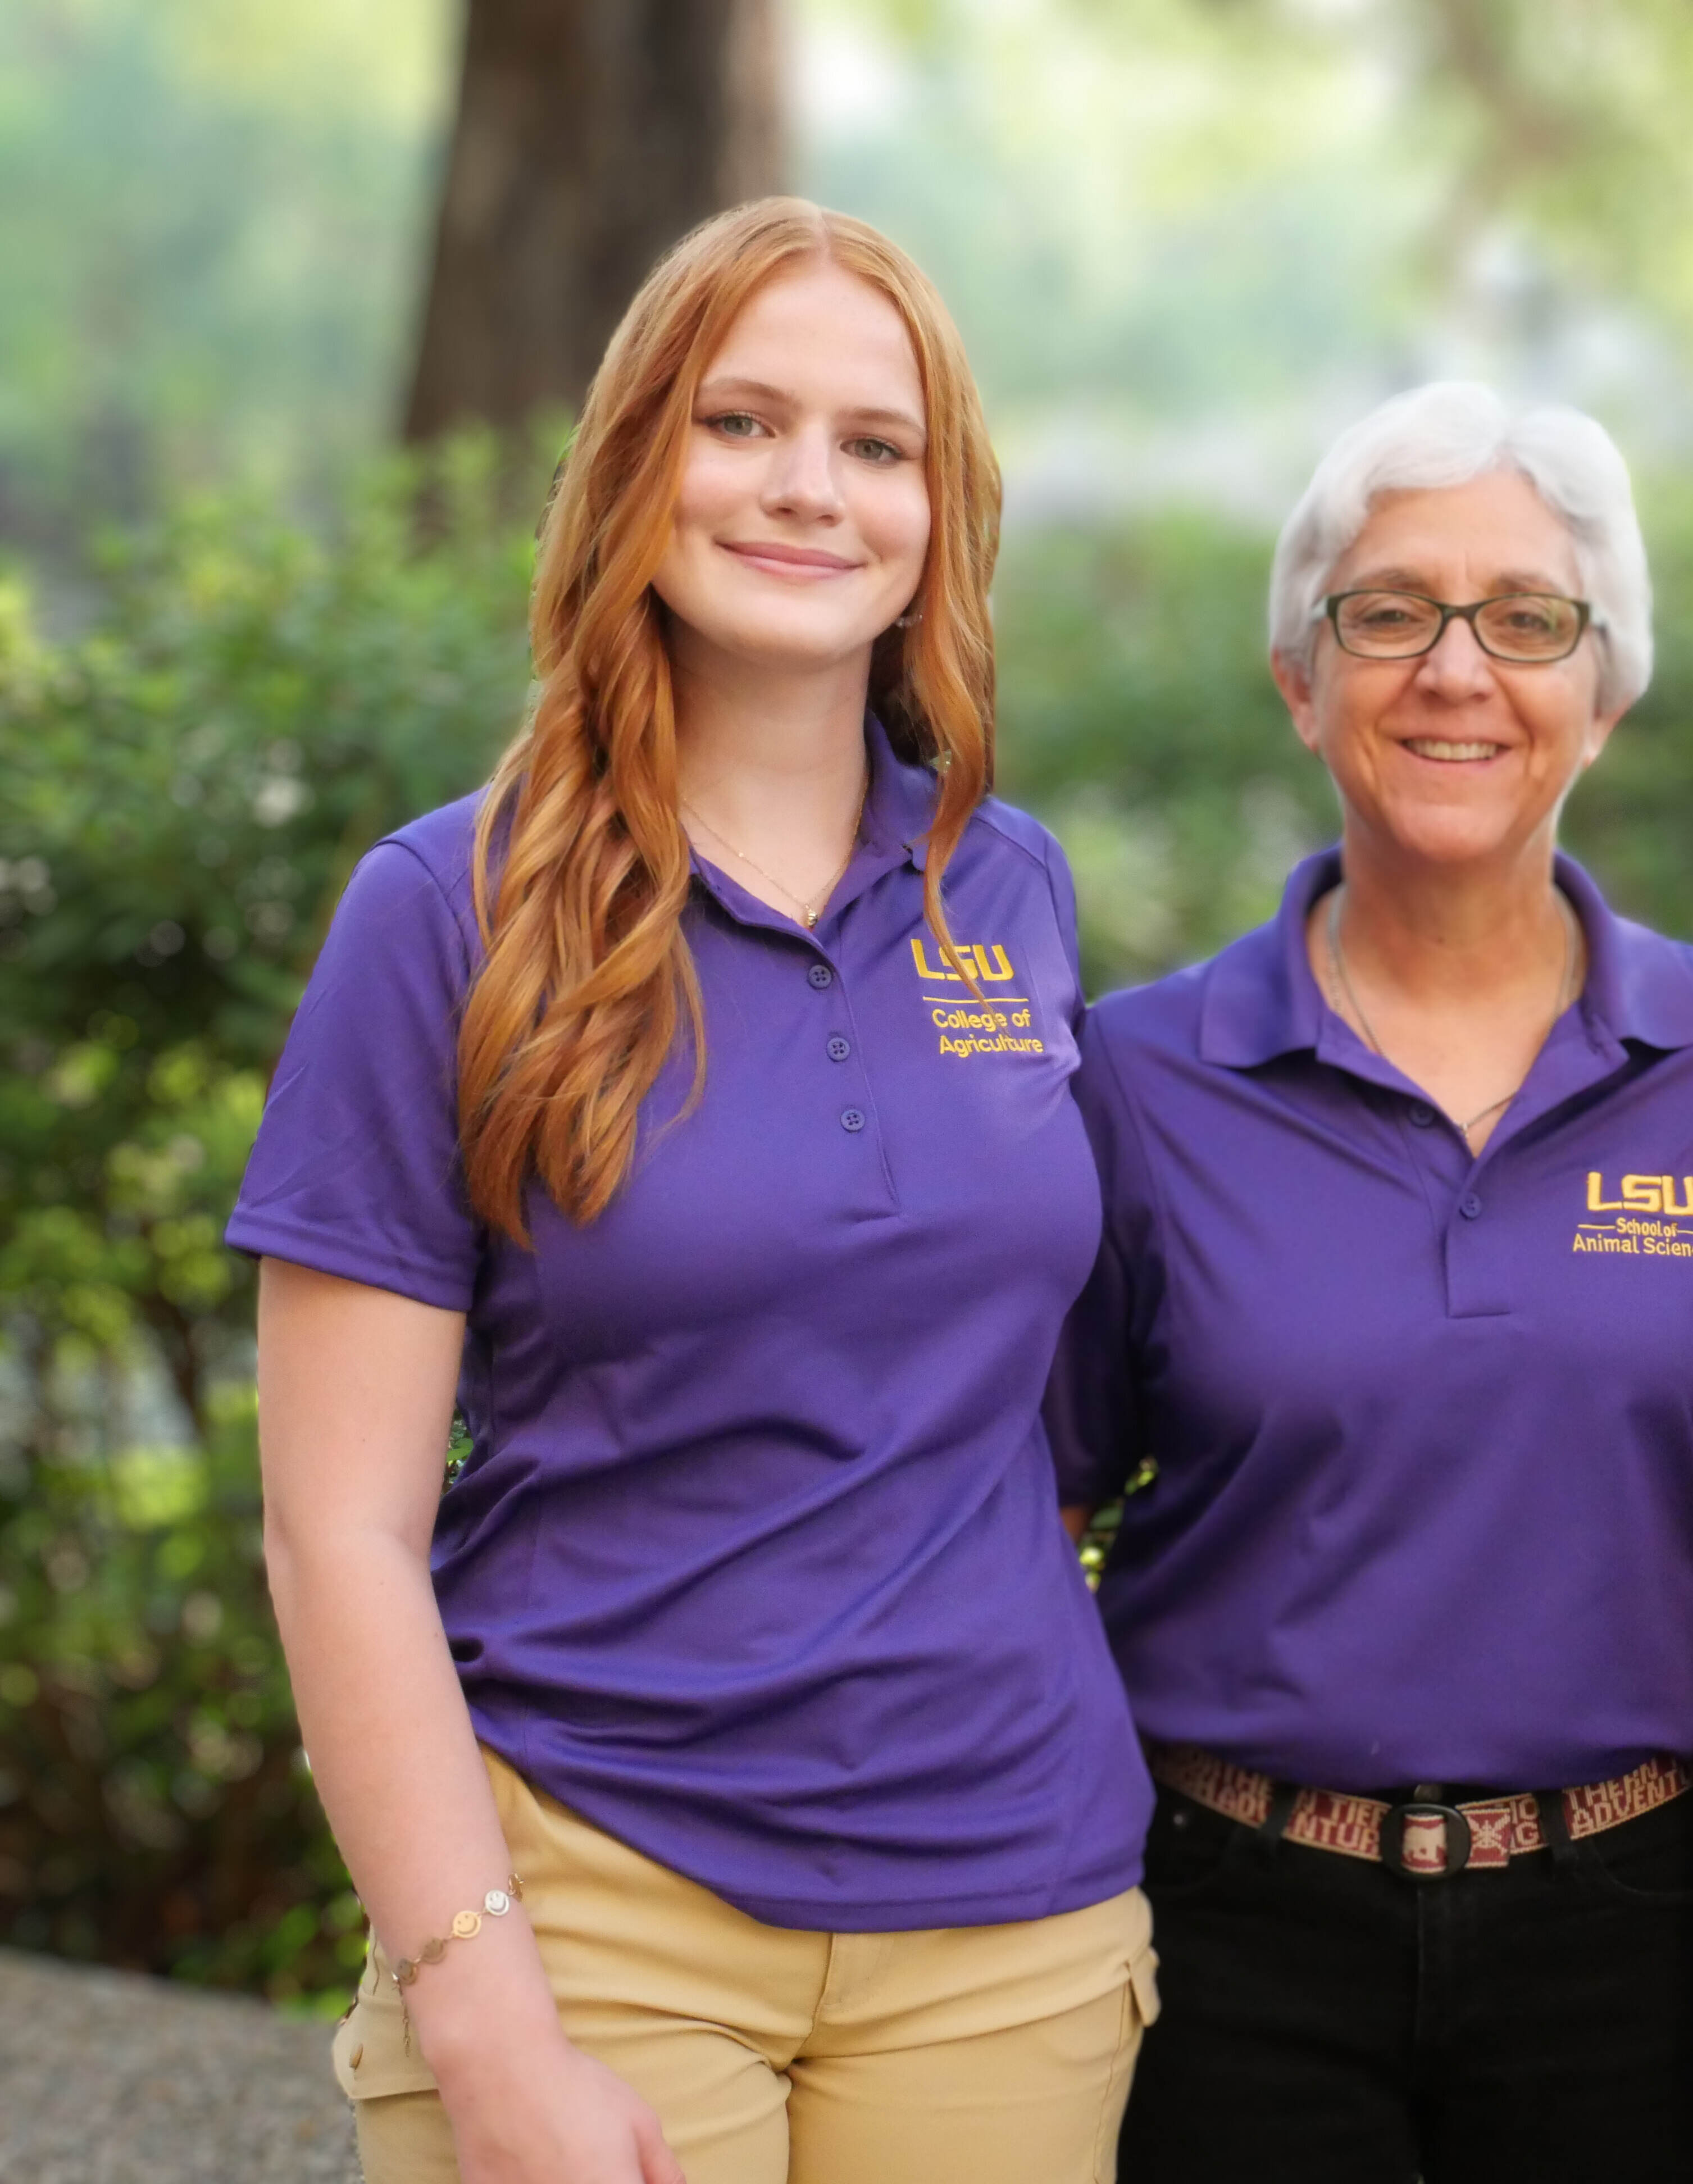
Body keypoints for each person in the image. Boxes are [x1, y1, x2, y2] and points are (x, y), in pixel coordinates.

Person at [231, 199, 1156, 2184]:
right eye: (742, 424)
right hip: (594, 1892)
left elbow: (1022, 1408)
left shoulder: (1011, 889)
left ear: (940, 514)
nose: (809, 488)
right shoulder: (443, 912)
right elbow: (337, 1534)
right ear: (637, 460)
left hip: (1013, 1912)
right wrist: (480, 2011)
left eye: (875, 444)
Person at [1044, 381, 1693, 2183]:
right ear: (1299, 681)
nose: (1457, 670)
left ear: (1605, 690)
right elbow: (1030, 1510)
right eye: (1387, 612)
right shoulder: (1138, 1082)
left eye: (1529, 619)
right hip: (1226, 1932)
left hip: (1638, 1935)